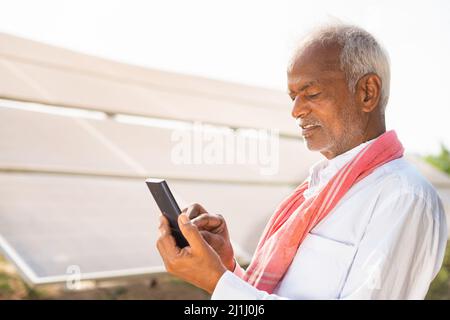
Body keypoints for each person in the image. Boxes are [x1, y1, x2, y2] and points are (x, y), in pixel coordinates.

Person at [156, 24, 448, 299]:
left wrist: (218, 283)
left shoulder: (403, 197)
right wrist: (226, 268)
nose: (295, 111)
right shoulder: (320, 190)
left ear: (367, 92)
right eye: (293, 97)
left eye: (311, 93)